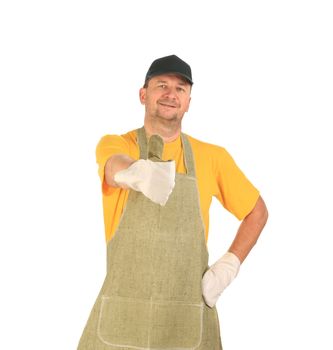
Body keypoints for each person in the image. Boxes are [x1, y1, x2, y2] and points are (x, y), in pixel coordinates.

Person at [78, 54, 268, 349]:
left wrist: (228, 266)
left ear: (189, 100)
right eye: (161, 85)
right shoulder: (118, 144)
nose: (170, 94)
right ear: (143, 94)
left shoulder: (213, 157)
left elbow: (256, 211)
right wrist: (135, 172)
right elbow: (113, 166)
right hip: (122, 316)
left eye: (180, 88)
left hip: (186, 316)